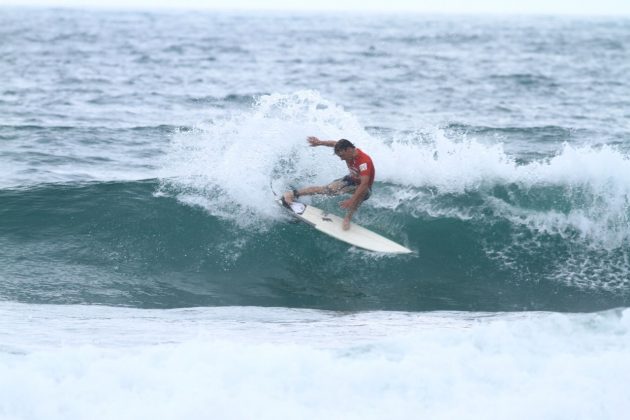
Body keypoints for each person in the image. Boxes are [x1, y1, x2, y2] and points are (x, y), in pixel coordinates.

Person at [282, 136, 375, 230]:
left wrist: (351, 200)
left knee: (362, 194)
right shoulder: (344, 148)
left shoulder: (364, 162)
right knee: (327, 190)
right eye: (339, 156)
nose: (341, 159)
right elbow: (334, 143)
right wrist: (319, 142)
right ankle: (292, 194)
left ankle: (347, 218)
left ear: (349, 149)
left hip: (364, 186)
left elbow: (364, 184)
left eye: (342, 156)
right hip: (351, 180)